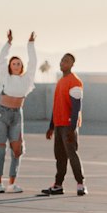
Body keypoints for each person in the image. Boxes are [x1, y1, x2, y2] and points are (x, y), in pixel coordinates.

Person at [0, 29, 37, 192]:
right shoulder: (5, 77)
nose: (16, 65)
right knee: (1, 148)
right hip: (1, 114)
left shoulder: (27, 80)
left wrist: (30, 44)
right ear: (10, 66)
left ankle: (12, 183)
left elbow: (33, 63)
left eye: (19, 63)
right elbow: (1, 59)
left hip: (17, 115)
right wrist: (8, 43)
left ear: (21, 66)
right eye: (13, 63)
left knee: (17, 150)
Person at [39, 53, 87, 195]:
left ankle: (80, 184)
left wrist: (72, 129)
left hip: (68, 126)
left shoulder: (75, 81)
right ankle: (58, 185)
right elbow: (56, 106)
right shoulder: (60, 81)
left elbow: (76, 106)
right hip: (59, 125)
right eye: (61, 61)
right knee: (59, 157)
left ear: (72, 64)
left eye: (66, 61)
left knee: (72, 154)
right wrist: (51, 127)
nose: (62, 63)